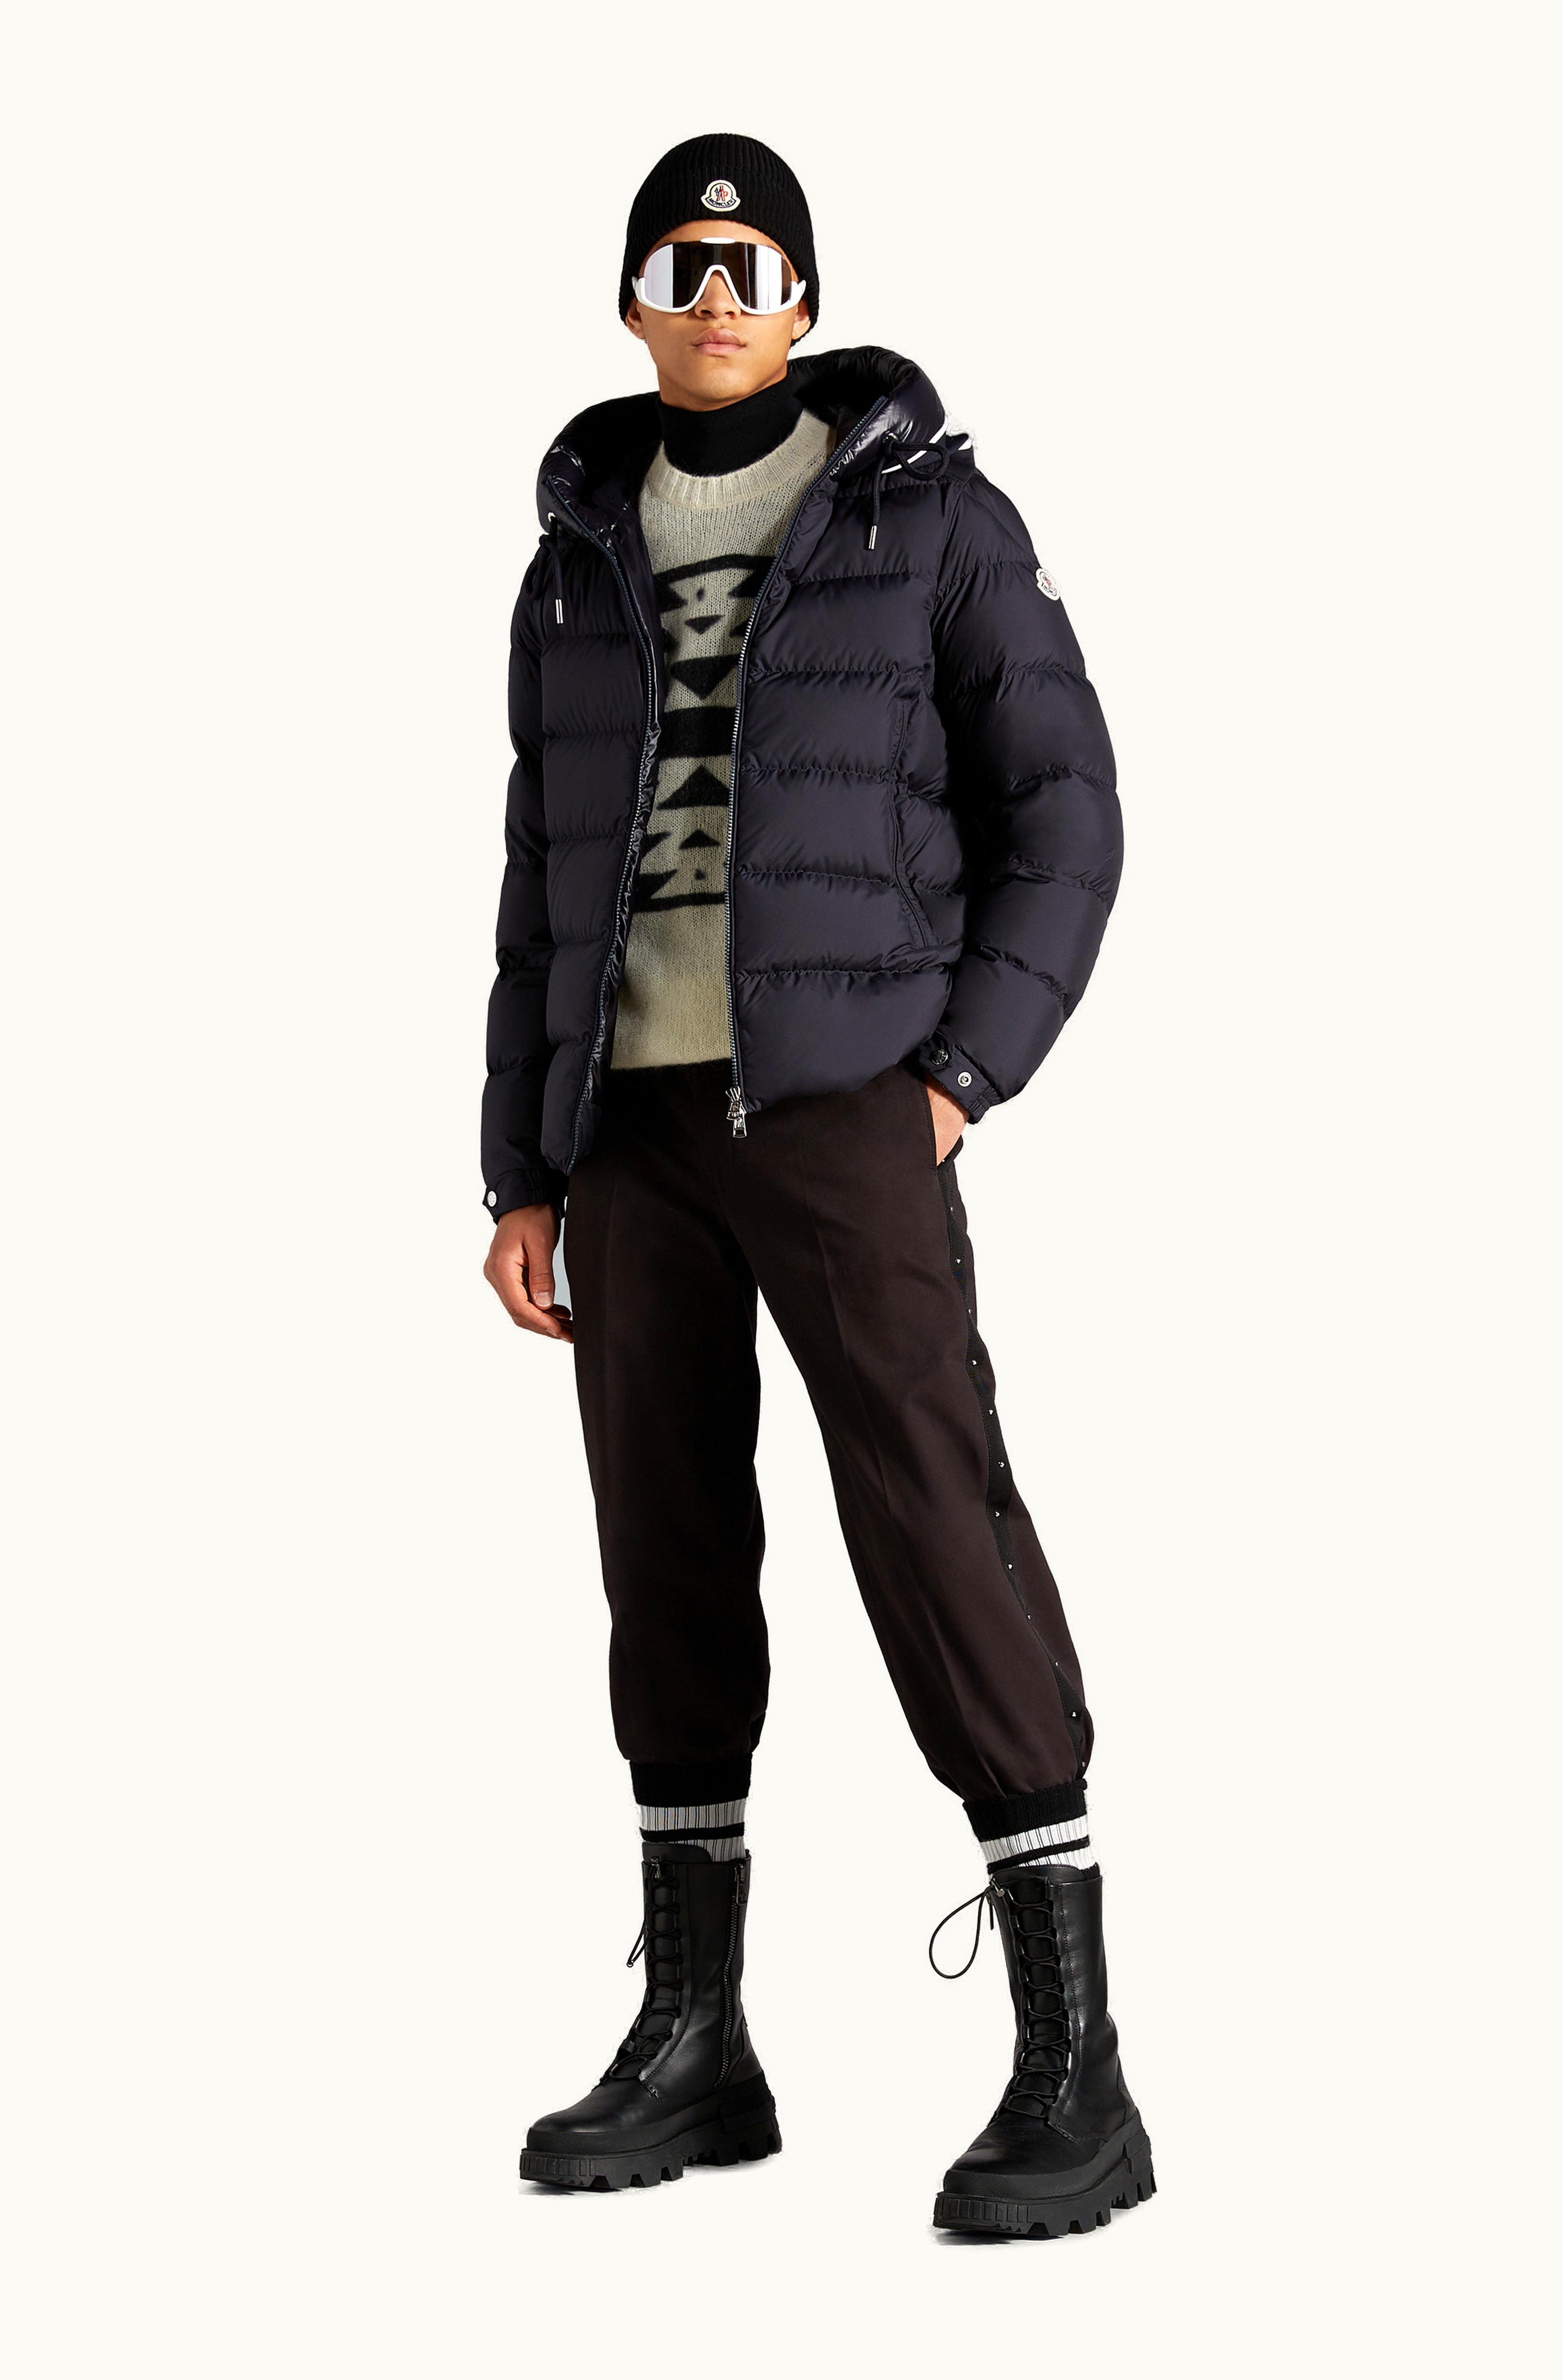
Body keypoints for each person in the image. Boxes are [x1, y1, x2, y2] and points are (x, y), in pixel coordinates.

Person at [482, 132, 1153, 2238]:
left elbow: (1067, 811)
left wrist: (956, 1076)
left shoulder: (924, 513)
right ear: (630, 300)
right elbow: (540, 880)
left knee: (934, 1519)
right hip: (631, 1136)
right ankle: (699, 2042)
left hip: (848, 1104)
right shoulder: (573, 554)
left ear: (802, 300)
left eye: (748, 263)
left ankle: (1076, 2068)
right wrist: (521, 1166)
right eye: (678, 263)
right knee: (664, 1558)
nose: (714, 295)